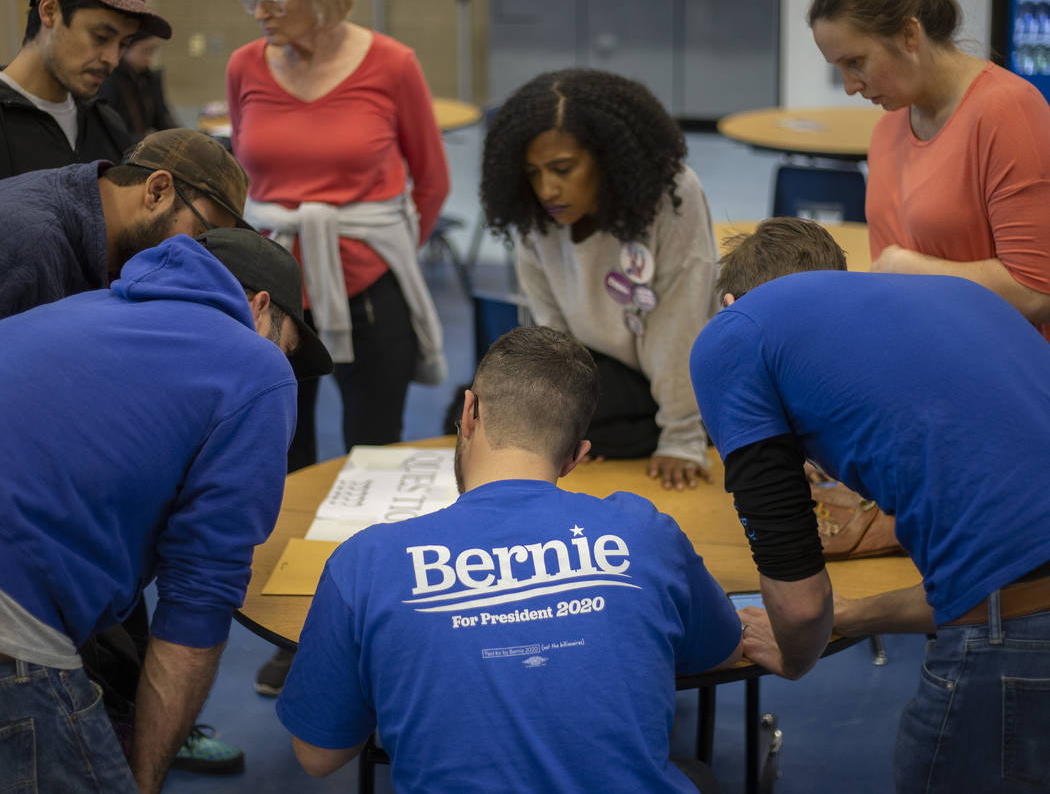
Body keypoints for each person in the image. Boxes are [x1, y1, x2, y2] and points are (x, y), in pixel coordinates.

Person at [276, 326, 742, 791]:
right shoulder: (646, 532)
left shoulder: (364, 562)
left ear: (469, 412)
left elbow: (318, 755)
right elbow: (720, 648)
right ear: (576, 456)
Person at [689, 217, 1050, 793]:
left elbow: (801, 606)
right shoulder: (955, 300)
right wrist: (853, 615)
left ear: (731, 304)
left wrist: (797, 653)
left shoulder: (735, 334)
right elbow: (987, 582)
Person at [0, 227, 333, 793]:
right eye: (288, 346)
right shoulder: (254, 365)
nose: (283, 362)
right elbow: (197, 603)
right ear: (259, 308)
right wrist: (144, 781)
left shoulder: (80, 307)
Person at [227, 0, 450, 697]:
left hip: (369, 284)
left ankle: (376, 623)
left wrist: (380, 255)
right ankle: (303, 629)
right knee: (282, 460)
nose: (258, 10)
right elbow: (240, 186)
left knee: (374, 460)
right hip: (274, 290)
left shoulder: (392, 65)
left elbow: (431, 182)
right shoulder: (246, 67)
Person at [481, 68, 719, 492]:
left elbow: (681, 327)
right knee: (482, 409)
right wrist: (564, 425)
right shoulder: (534, 215)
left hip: (684, 370)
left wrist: (681, 438)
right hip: (602, 369)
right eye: (534, 173)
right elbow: (553, 335)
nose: (547, 189)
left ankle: (693, 425)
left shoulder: (673, 196)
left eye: (563, 168)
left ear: (608, 159)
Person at [808, 0, 1050, 342]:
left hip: (1005, 380)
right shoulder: (889, 128)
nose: (851, 86)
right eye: (840, 69)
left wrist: (912, 268)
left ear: (908, 34)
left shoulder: (1008, 111)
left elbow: (1036, 289)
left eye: (856, 62)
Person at [0, 127, 251, 318]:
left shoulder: (85, 203)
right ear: (158, 191)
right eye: (202, 234)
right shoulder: (34, 246)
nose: (199, 255)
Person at [0, 0, 171, 179]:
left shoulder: (107, 124)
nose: (112, 60)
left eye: (123, 44)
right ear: (50, 12)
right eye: (101, 37)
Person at [98, 32, 178, 142]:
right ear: (125, 49)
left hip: (145, 145)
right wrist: (145, 140)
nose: (150, 57)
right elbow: (108, 129)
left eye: (153, 50)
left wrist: (180, 136)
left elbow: (163, 117)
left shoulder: (149, 78)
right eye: (145, 50)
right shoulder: (110, 80)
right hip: (123, 148)